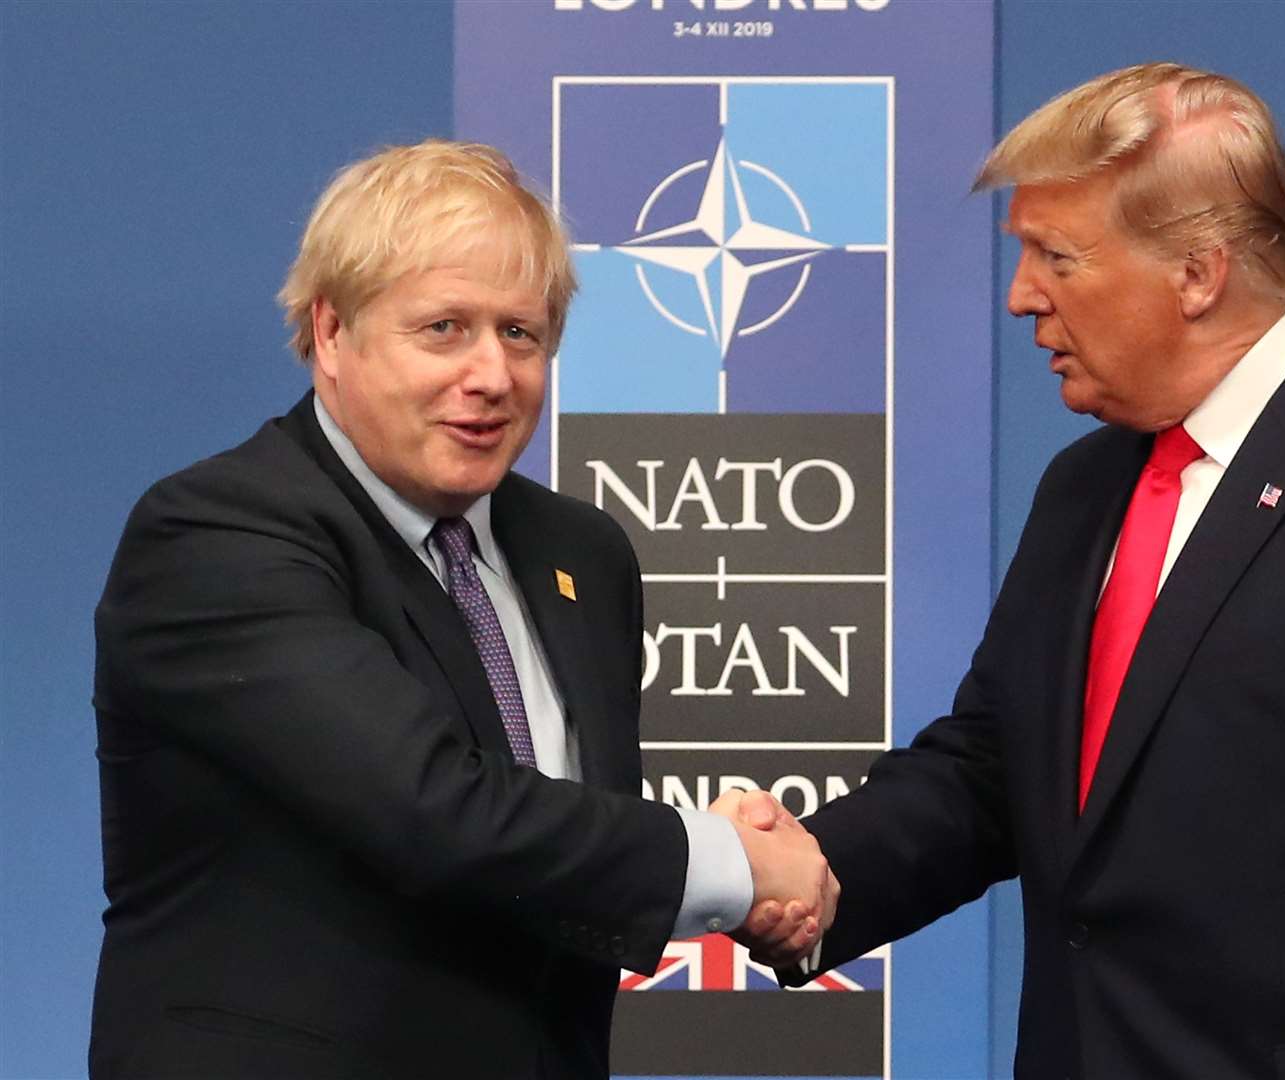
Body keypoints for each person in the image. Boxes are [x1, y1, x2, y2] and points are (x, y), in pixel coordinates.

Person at [740, 62, 1285, 1079]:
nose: (1021, 298)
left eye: (1055, 256)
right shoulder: (1085, 486)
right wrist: (812, 873)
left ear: (1198, 272)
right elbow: (993, 769)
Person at [89, 140, 833, 1079]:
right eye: (444, 328)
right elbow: (432, 809)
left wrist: (733, 867)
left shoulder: (582, 554)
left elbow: (559, 841)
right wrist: (729, 865)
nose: (491, 375)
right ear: (330, 333)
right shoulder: (218, 536)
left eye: (520, 333)